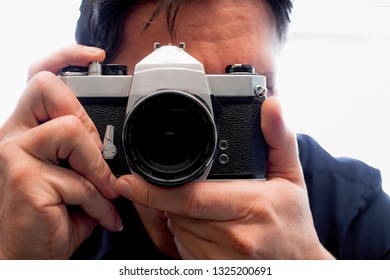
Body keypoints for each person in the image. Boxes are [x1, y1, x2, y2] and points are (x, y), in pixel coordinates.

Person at [0, 0, 389, 260]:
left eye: (242, 83)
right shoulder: (52, 210)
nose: (200, 128)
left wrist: (310, 266)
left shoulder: (348, 205)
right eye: (174, 99)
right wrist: (15, 259)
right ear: (97, 96)